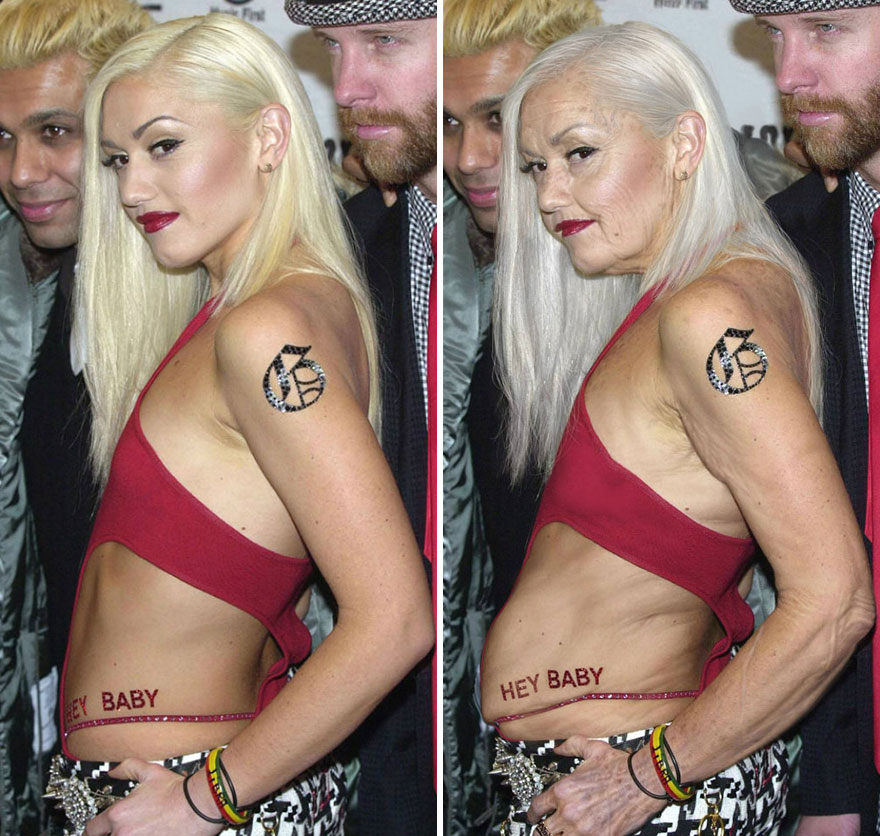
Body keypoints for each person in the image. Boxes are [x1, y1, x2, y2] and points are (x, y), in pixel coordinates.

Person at [44, 13, 433, 836]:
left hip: (199, 797)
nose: (132, 190)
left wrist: (205, 797)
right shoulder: (251, 310)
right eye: (117, 159)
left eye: (163, 146)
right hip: (154, 790)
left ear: (269, 138)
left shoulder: (268, 329)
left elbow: (396, 619)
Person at [481, 21, 873, 836]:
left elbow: (835, 601)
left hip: (643, 784)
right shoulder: (707, 289)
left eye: (580, 153)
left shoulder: (711, 314)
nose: (549, 197)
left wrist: (648, 776)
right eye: (536, 166)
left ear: (685, 144)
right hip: (601, 775)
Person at [727, 3, 880, 835]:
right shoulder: (772, 248)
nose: (788, 77)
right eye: (775, 36)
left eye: (824, 29)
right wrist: (831, 785)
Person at [284, 2, 438, 833]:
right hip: (377, 754)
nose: (345, 89)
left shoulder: (590, 241)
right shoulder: (320, 263)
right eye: (330, 50)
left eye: (382, 42)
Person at [0, 1, 151, 830]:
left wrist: (218, 785)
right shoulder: (27, 287)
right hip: (70, 746)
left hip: (191, 770)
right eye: (1, 138)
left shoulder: (229, 304)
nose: (22, 171)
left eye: (54, 132)